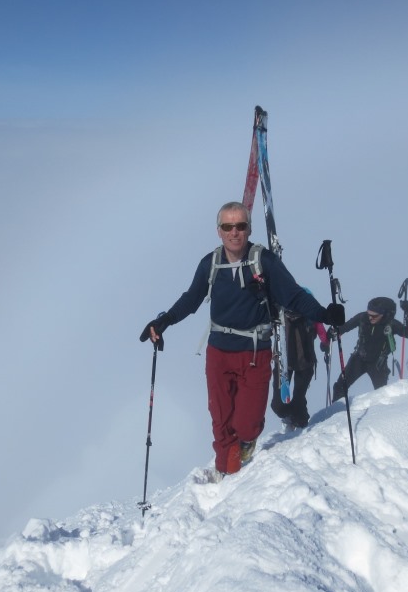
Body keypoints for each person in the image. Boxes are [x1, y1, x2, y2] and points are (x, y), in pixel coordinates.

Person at [140, 201, 345, 478]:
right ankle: (227, 474)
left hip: (254, 351)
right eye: (228, 226)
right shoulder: (210, 264)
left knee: (246, 424)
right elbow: (191, 300)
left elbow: (294, 296)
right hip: (219, 352)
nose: (234, 232)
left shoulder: (265, 261)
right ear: (219, 231)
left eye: (240, 226)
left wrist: (323, 313)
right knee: (221, 420)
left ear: (249, 229)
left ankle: (245, 444)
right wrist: (163, 321)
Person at [330, 295, 408, 400]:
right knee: (340, 387)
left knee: (382, 395)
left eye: (374, 316)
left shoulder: (391, 324)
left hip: (378, 364)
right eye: (369, 314)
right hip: (358, 359)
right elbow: (345, 327)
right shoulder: (362, 318)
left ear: (384, 314)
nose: (370, 317)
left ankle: (382, 415)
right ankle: (336, 413)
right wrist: (331, 335)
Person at [270, 304, 329, 430]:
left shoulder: (311, 315)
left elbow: (322, 333)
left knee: (298, 399)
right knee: (278, 406)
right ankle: (291, 417)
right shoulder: (278, 314)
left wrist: (326, 342)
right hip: (282, 363)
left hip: (305, 363)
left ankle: (301, 426)